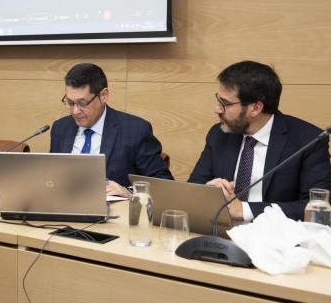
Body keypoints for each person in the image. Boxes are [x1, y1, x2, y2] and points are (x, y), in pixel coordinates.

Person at [189, 61, 331, 222]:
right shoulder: (219, 134)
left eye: (225, 104)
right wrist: (207, 192)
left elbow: (315, 206)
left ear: (255, 108)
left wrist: (245, 209)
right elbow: (193, 187)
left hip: (277, 239)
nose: (217, 109)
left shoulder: (308, 140)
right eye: (218, 101)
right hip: (220, 234)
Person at [50, 63, 173, 197]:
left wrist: (129, 193)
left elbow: (164, 184)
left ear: (103, 95)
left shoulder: (135, 130)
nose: (75, 111)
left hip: (113, 214)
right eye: (70, 102)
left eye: (82, 103)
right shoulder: (60, 128)